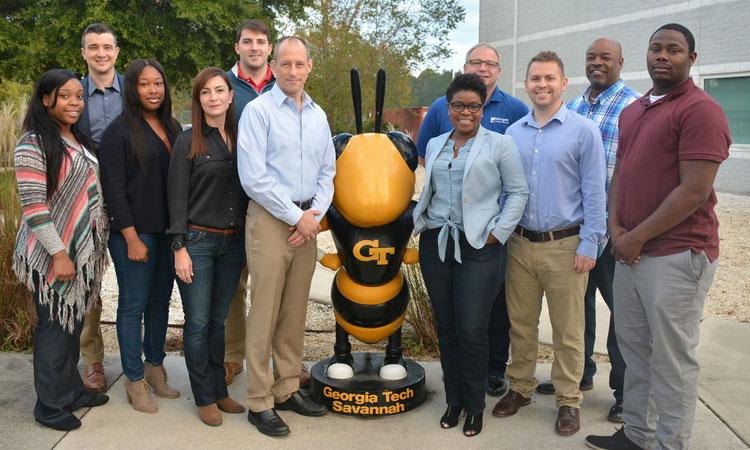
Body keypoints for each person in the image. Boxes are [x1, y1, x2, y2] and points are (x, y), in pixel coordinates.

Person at [585, 24, 731, 450]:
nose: (662, 56)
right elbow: (620, 175)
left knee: (672, 361)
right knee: (634, 351)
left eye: (673, 50)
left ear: (691, 58)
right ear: (645, 55)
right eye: (655, 49)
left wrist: (636, 237)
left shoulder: (701, 110)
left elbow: (694, 191)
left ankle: (670, 444)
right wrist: (616, 230)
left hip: (676, 254)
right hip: (631, 251)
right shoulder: (636, 110)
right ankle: (637, 433)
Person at [491, 50, 606, 437]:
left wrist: (591, 243)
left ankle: (568, 400)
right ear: (526, 84)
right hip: (520, 245)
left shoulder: (583, 131)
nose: (542, 85)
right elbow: (506, 191)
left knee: (568, 331)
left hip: (566, 246)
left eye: (549, 79)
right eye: (536, 79)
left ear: (563, 83)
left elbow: (594, 193)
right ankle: (520, 388)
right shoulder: (513, 134)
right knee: (521, 325)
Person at [413, 73, 528, 437]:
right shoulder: (434, 144)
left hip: (480, 246)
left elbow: (518, 192)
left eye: (473, 106)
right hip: (437, 244)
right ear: (448, 109)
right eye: (459, 105)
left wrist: (497, 232)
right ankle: (454, 400)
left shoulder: (499, 144)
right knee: (446, 327)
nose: (466, 112)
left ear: (482, 108)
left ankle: (475, 406)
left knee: (472, 329)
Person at [535, 37, 639, 424]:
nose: (597, 63)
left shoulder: (633, 107)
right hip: (576, 233)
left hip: (616, 229)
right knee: (578, 311)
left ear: (620, 62)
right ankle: (578, 376)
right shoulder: (575, 105)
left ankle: (626, 392)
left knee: (623, 313)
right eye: (591, 57)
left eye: (605, 57)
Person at [237, 36, 335, 437]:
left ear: (310, 67)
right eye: (286, 64)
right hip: (270, 221)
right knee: (264, 312)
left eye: (300, 64)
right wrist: (298, 217)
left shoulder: (319, 115)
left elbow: (329, 170)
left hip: (307, 222)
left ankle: (287, 387)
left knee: (295, 312)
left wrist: (313, 215)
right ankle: (259, 400)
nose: (293, 71)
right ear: (273, 67)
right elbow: (253, 177)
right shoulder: (258, 112)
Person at [13, 69, 110, 430]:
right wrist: (59, 253)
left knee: (72, 323)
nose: (74, 103)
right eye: (65, 96)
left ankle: (71, 390)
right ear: (45, 99)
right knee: (54, 327)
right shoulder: (33, 143)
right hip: (53, 254)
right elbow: (34, 206)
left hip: (80, 253)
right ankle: (50, 406)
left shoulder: (76, 138)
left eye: (78, 97)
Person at [99, 58, 182, 414]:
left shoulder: (174, 126)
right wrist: (131, 237)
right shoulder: (118, 132)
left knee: (160, 302)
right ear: (132, 88)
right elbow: (114, 190)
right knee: (133, 305)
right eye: (145, 84)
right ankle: (134, 379)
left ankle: (155, 366)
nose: (153, 90)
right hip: (135, 233)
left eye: (158, 84)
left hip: (167, 233)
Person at [167, 67, 248, 426]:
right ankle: (203, 397)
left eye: (219, 91)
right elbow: (176, 198)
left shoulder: (243, 137)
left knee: (218, 323)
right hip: (197, 242)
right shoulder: (188, 141)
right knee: (198, 324)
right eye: (205, 92)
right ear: (198, 100)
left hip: (233, 245)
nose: (213, 97)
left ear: (231, 96)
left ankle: (220, 390)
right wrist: (179, 247)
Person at [77, 22, 124, 394]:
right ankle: (92, 360)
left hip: (128, 204)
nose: (100, 53)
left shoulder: (135, 92)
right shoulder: (72, 95)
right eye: (93, 47)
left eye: (106, 47)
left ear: (116, 52)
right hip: (85, 206)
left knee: (134, 285)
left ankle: (140, 360)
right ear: (84, 53)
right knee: (88, 286)